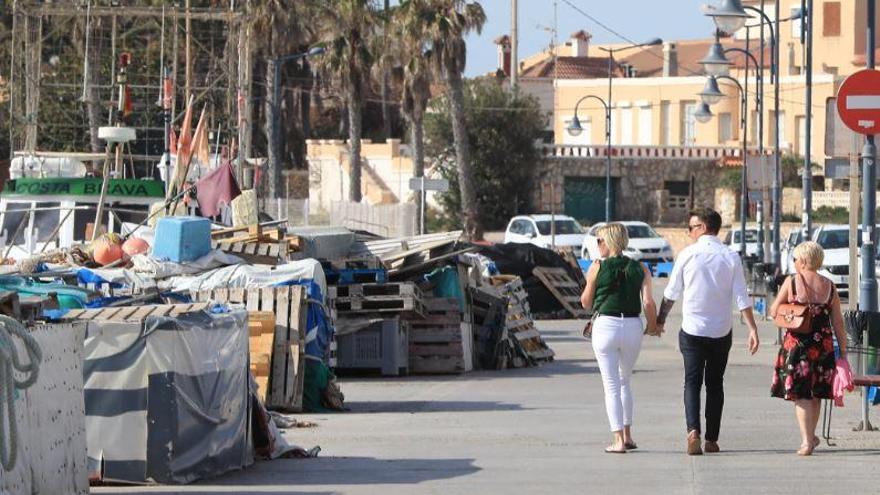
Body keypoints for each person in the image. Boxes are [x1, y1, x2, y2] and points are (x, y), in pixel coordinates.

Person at [657, 207, 760, 455]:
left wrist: (660, 321)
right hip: (721, 331)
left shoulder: (687, 254)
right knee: (715, 384)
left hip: (692, 329)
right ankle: (712, 439)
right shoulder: (730, 256)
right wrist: (753, 329)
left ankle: (693, 430)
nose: (689, 232)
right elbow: (741, 297)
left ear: (703, 227)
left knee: (691, 382)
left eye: (691, 227)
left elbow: (671, 293)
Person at [580, 223, 659, 454]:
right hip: (633, 326)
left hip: (606, 325)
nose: (597, 245)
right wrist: (653, 326)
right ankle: (628, 435)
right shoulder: (640, 267)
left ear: (609, 242)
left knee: (611, 385)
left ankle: (617, 441)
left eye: (599, 241)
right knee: (625, 381)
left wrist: (590, 282)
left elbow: (585, 302)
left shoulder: (597, 267)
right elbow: (648, 303)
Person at [769, 241, 847, 456]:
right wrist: (844, 352)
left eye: (795, 259)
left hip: (797, 346)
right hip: (823, 345)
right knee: (816, 393)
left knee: (802, 394)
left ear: (803, 261)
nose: (794, 262)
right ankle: (811, 437)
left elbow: (774, 311)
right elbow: (838, 322)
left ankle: (806, 441)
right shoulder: (829, 287)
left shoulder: (792, 282)